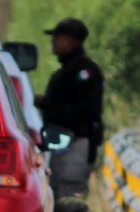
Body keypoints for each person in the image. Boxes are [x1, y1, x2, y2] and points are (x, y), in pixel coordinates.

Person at [34, 17, 104, 199]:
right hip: (63, 144)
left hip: (76, 144)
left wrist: (50, 106)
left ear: (70, 41)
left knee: (69, 198)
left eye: (57, 38)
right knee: (59, 195)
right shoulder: (68, 70)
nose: (53, 42)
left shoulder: (84, 71)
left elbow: (84, 111)